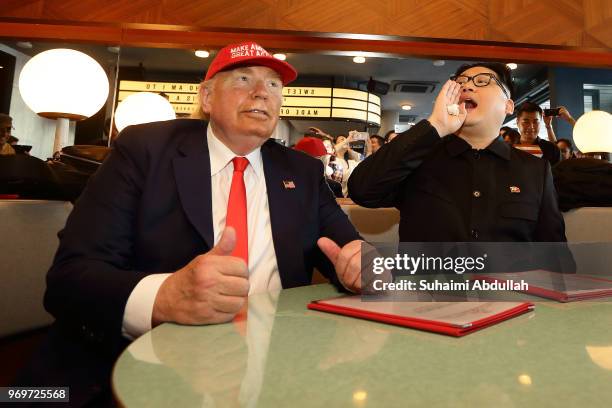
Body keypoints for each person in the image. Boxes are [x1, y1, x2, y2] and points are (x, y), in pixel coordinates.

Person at [19, 41, 363, 406]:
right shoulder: (144, 150)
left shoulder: (302, 171)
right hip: (131, 365)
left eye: (274, 84)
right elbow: (69, 279)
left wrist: (366, 264)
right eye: (244, 78)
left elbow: (353, 254)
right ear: (208, 97)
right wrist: (165, 297)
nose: (262, 92)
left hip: (277, 366)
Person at [348, 62, 566, 242]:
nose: (467, 87)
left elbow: (556, 258)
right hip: (426, 293)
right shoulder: (420, 158)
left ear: (508, 106)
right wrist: (434, 125)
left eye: (482, 81)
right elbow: (362, 190)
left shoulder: (535, 170)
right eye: (460, 83)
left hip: (509, 292)